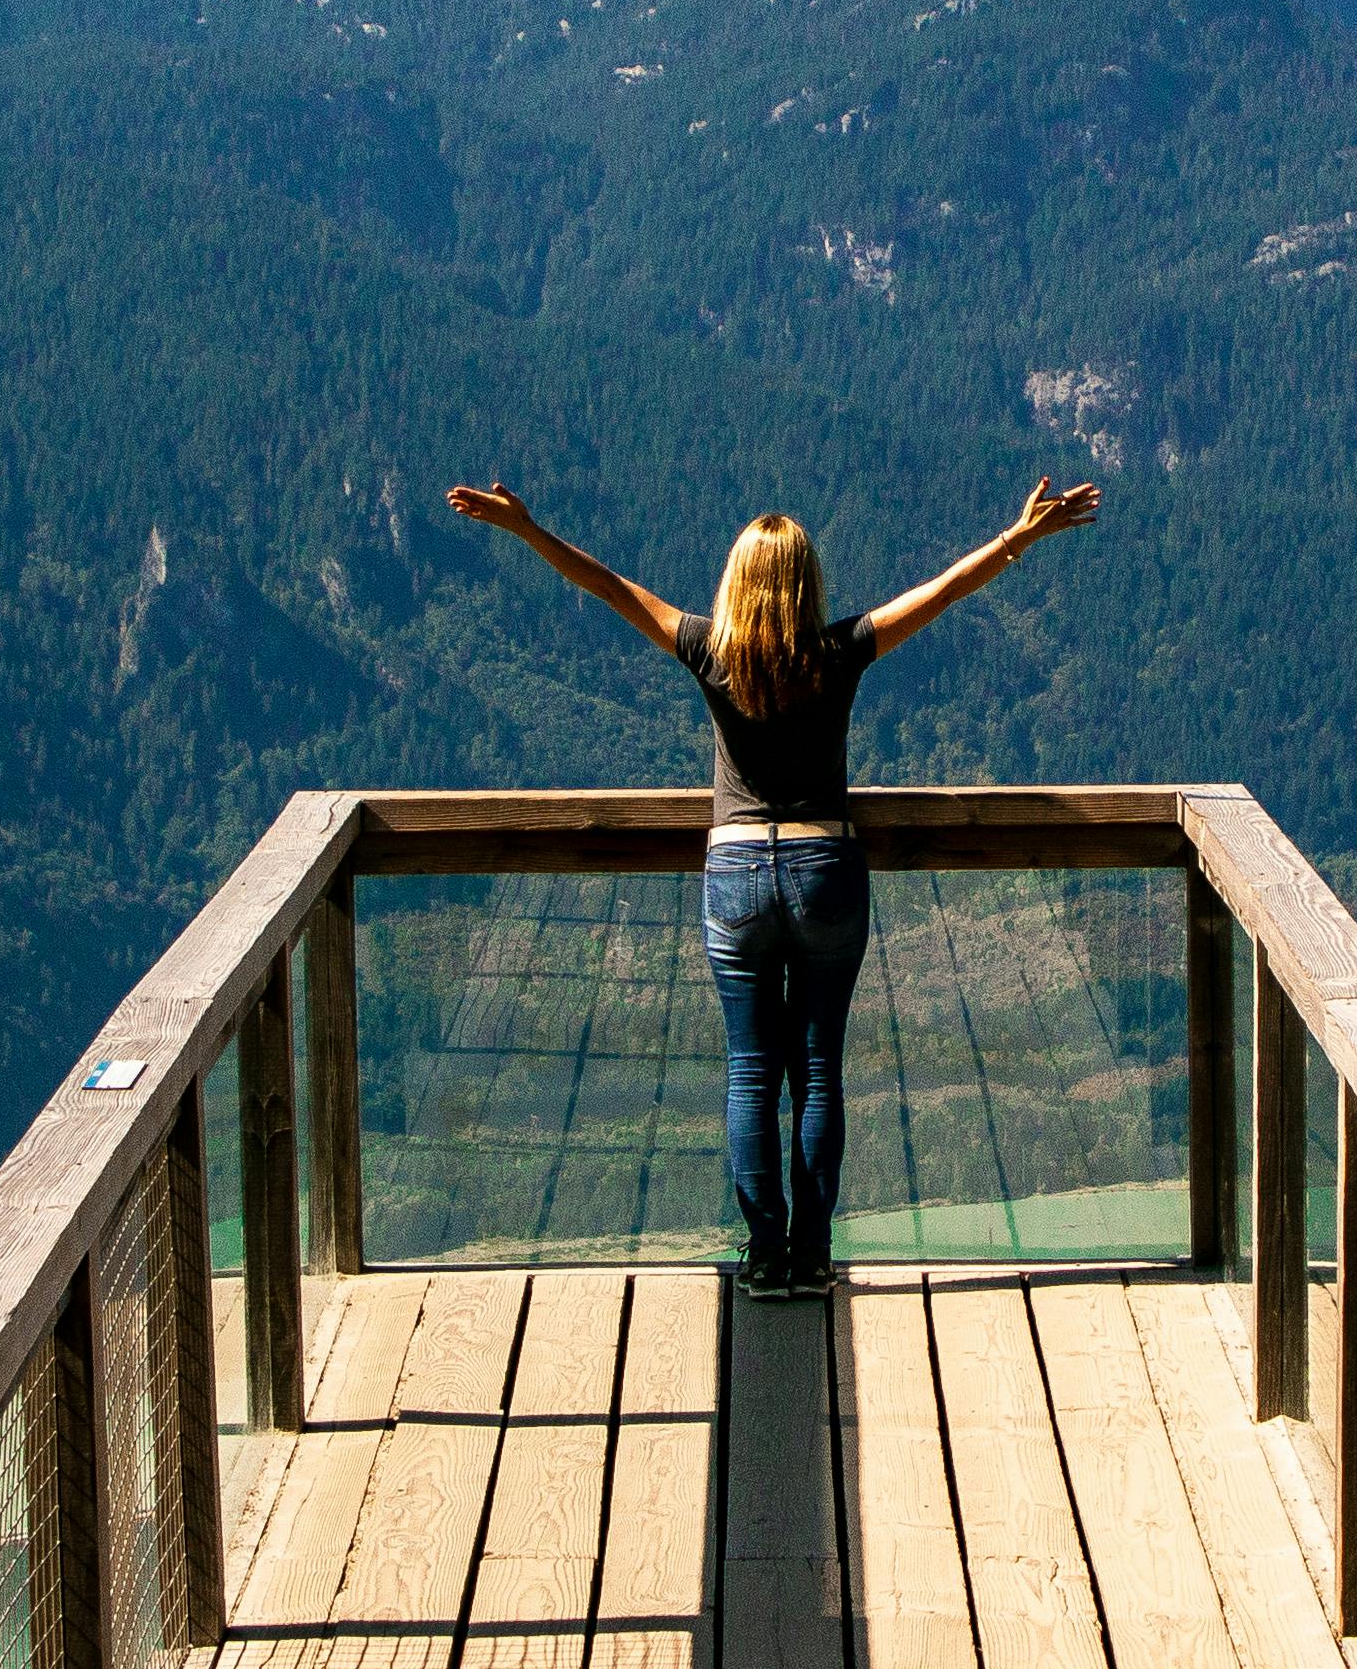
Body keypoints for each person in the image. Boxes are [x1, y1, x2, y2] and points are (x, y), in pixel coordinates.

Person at [440, 475, 1109, 1299]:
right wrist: (1017, 538)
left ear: (736, 582)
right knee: (819, 1068)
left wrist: (527, 528)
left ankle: (763, 1254)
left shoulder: (707, 649)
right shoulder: (841, 650)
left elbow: (607, 586)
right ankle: (814, 1250)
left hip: (735, 876)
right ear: (806, 583)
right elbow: (943, 591)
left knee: (751, 1071)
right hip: (825, 868)